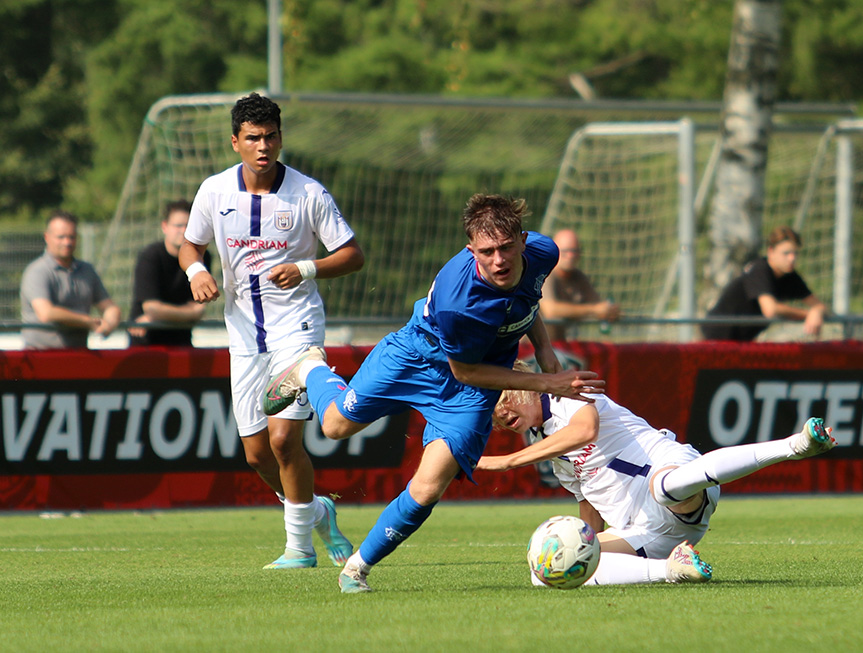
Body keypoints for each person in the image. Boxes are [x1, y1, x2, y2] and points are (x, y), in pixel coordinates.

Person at [263, 193, 606, 593]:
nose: (499, 260)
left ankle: (356, 568)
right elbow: (466, 369)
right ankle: (309, 367)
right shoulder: (458, 302)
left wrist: (545, 351)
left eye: (507, 248)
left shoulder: (544, 252)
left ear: (523, 240)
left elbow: (527, 302)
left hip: (468, 392)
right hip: (416, 358)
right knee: (336, 426)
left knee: (428, 487)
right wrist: (549, 382)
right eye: (487, 251)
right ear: (470, 249)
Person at [178, 92, 365, 570]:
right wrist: (196, 273)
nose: (264, 146)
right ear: (235, 141)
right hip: (242, 337)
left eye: (271, 137)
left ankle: (299, 550)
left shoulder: (308, 193)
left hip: (296, 333)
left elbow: (352, 254)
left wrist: (305, 268)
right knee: (258, 456)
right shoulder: (215, 191)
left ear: (281, 138)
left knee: (285, 442)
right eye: (254, 138)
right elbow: (190, 245)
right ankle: (316, 511)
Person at [478, 363, 836, 586]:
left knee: (665, 487)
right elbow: (588, 506)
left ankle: (794, 445)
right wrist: (583, 542)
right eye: (494, 416)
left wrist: (507, 462)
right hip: (647, 531)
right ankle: (673, 569)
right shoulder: (547, 446)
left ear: (523, 383)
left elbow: (585, 431)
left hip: (672, 479)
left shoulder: (567, 393)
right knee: (548, 572)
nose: (501, 414)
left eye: (504, 400)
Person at [701, 226, 827, 342]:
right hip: (715, 339)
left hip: (742, 341)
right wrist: (808, 314)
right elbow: (770, 309)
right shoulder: (759, 270)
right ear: (771, 252)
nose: (792, 258)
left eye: (795, 253)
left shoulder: (791, 276)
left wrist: (817, 312)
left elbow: (819, 305)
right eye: (786, 253)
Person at [20, 210, 121, 349]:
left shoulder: (87, 270)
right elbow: (46, 313)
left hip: (78, 355)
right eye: (61, 237)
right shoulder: (37, 271)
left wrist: (109, 322)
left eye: (71, 237)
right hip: (41, 356)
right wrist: (87, 321)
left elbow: (109, 307)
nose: (67, 242)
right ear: (46, 237)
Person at [128, 200, 212, 346]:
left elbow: (199, 308)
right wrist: (188, 313)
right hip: (146, 342)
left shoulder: (202, 256)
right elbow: (151, 307)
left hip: (182, 340)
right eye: (178, 225)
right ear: (164, 226)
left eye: (188, 225)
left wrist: (158, 315)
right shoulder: (150, 256)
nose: (184, 230)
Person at [539, 228, 620, 341]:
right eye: (566, 251)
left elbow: (598, 305)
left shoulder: (578, 277)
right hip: (530, 350)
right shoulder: (544, 274)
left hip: (558, 348)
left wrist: (610, 311)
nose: (571, 255)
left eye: (575, 250)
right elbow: (551, 310)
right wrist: (594, 310)